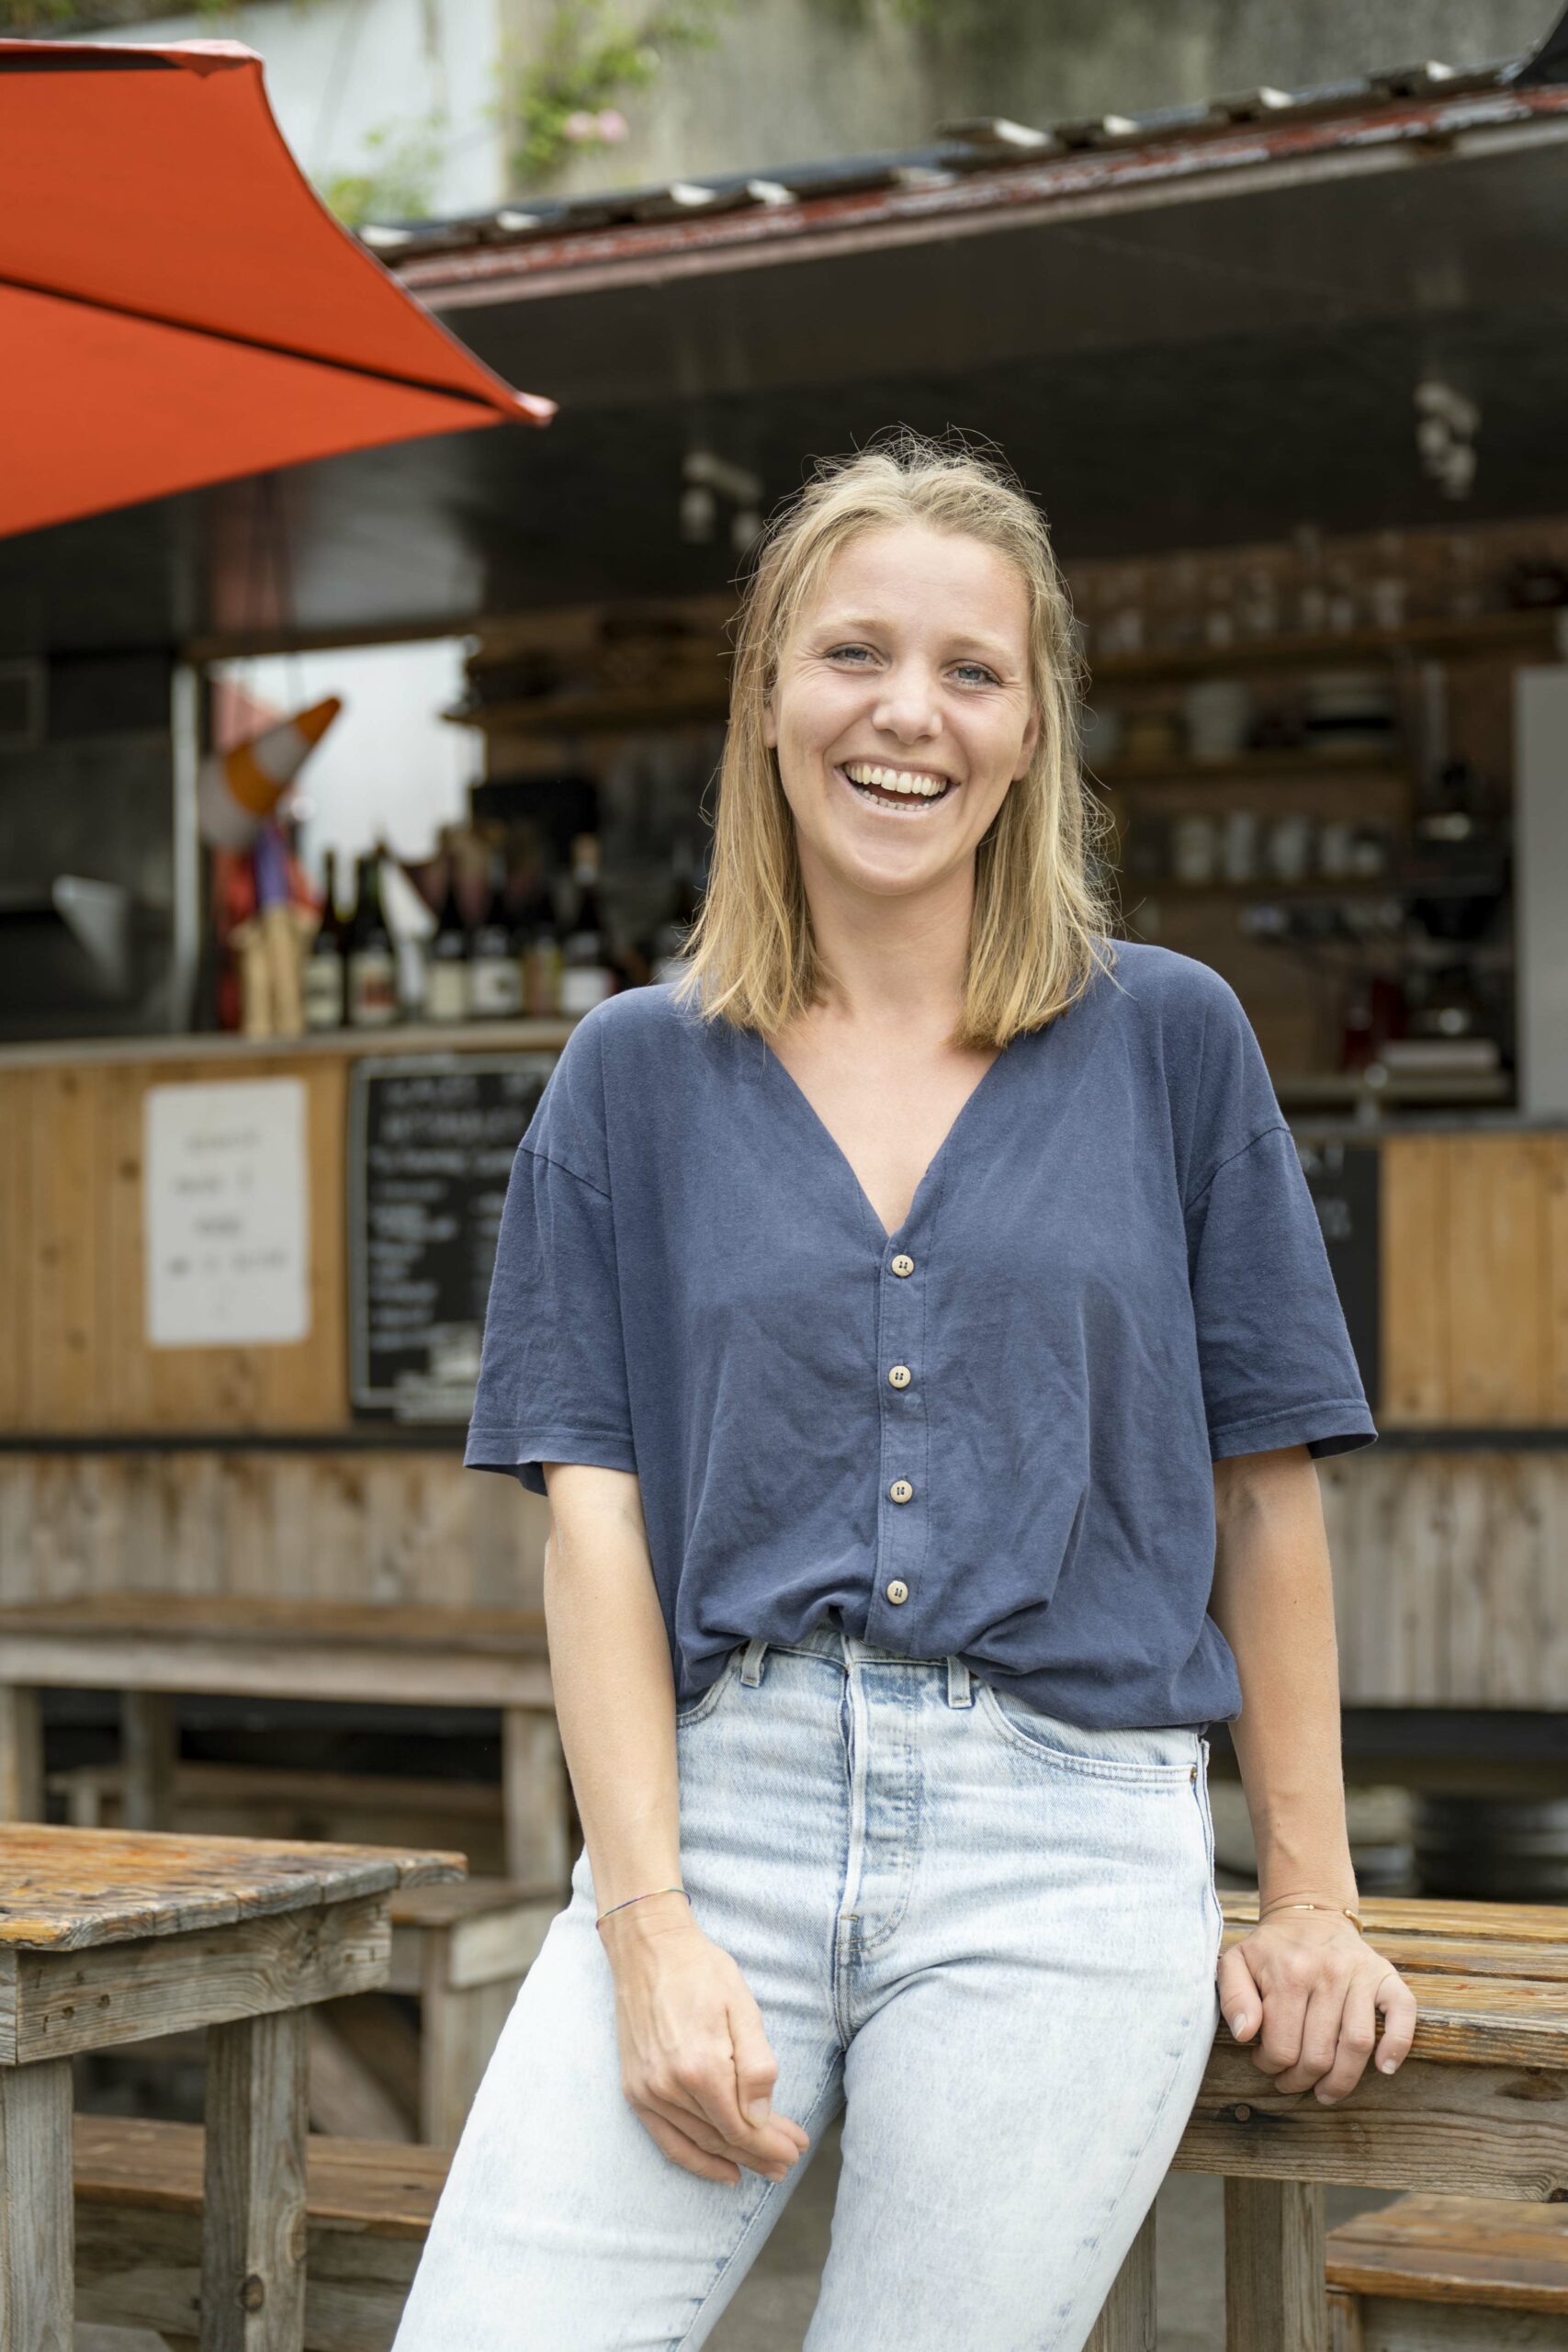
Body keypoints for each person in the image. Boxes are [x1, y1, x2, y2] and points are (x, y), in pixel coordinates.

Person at [391, 429, 1417, 2351]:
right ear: (767, 695)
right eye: (853, 652)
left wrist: (1308, 1890)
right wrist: (645, 1918)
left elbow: (1264, 1487)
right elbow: (591, 1524)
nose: (907, 714)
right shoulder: (627, 1075)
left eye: (970, 669)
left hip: (1067, 1838)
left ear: (1031, 729)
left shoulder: (1170, 1043)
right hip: (725, 1814)